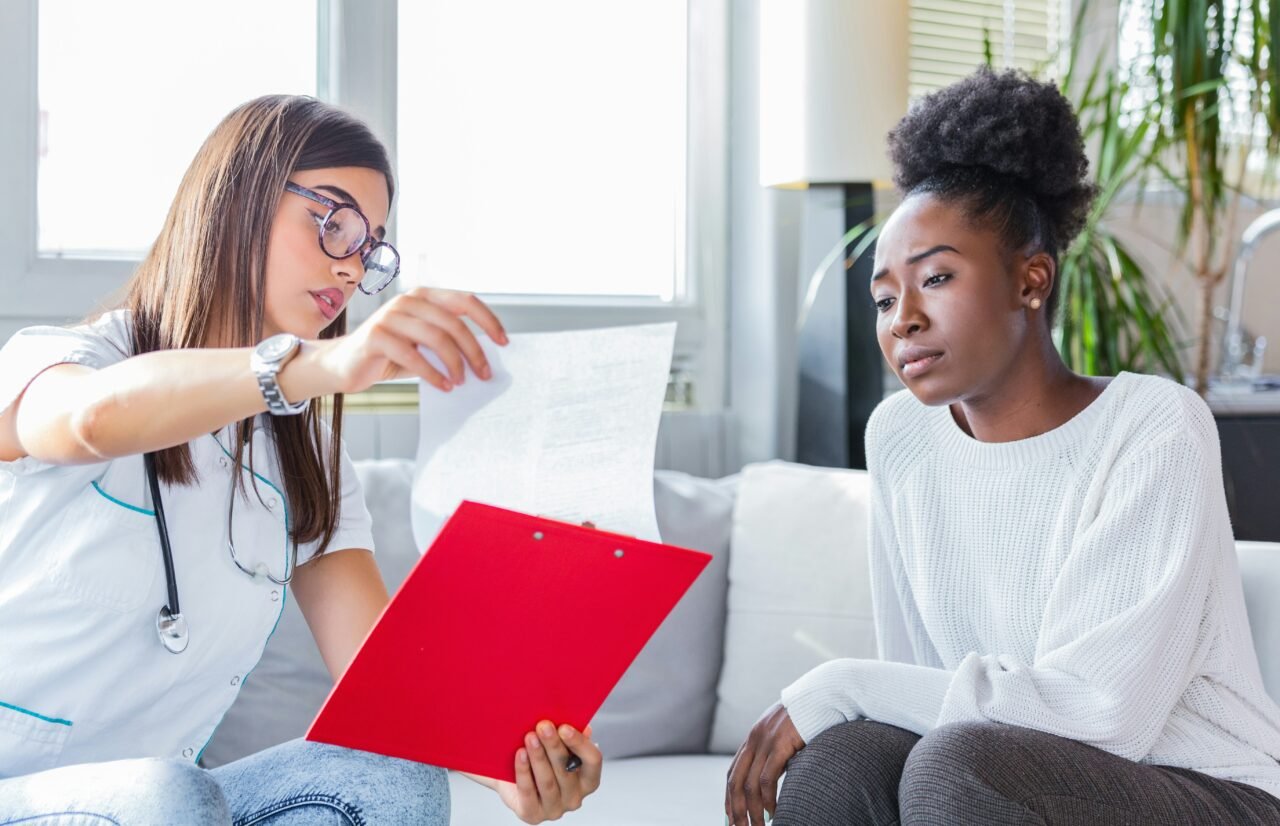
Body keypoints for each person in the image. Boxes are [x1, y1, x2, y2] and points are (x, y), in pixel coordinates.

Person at [0, 94, 602, 825]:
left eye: (370, 246)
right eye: (334, 223)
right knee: (166, 794)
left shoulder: (307, 455)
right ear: (237, 200)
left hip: (164, 810)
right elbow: (92, 418)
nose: (352, 269)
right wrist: (318, 365)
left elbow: (390, 692)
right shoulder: (62, 360)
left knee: (394, 780)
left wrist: (513, 770)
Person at [726, 68, 1280, 825]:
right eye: (885, 298)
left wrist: (837, 682)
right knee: (844, 757)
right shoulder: (900, 437)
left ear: (1032, 279)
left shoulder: (1153, 428)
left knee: (958, 770)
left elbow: (1103, 712)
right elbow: (923, 686)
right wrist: (851, 707)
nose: (903, 320)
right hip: (1000, 771)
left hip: (1206, 790)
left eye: (938, 278)